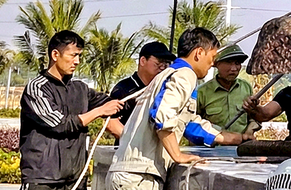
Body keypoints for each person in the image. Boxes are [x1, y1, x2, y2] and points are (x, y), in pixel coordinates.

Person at [104, 28, 252, 190]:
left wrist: (231, 138)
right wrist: (177, 155)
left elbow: (188, 123)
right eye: (212, 57)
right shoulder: (184, 75)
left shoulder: (168, 74)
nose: (212, 64)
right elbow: (163, 116)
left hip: (131, 173)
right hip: (139, 177)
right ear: (199, 53)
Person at [20, 30, 123, 190]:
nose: (77, 61)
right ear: (55, 55)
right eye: (73, 55)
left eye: (79, 56)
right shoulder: (37, 88)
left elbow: (114, 104)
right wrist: (98, 111)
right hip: (42, 180)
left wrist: (146, 96)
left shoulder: (80, 88)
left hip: (75, 180)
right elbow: (60, 124)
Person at [105, 41, 175, 138]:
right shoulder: (124, 89)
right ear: (143, 61)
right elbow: (111, 122)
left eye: (166, 64)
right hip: (128, 149)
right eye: (158, 63)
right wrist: (132, 139)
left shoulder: (166, 88)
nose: (162, 68)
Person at [196, 44, 258, 135]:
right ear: (217, 64)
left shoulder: (246, 87)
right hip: (213, 147)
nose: (233, 69)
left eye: (237, 63)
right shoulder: (202, 92)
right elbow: (193, 123)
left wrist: (249, 131)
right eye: (228, 62)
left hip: (240, 145)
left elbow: (254, 117)